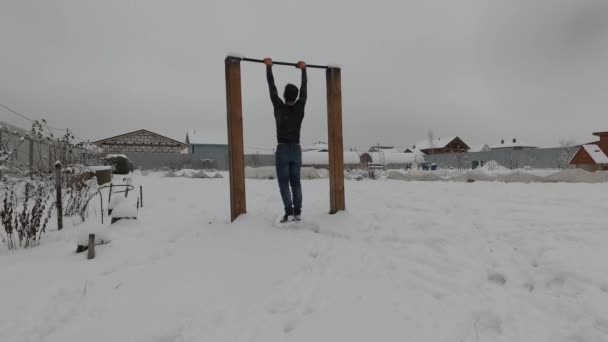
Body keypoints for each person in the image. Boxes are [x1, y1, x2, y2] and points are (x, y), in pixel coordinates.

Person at [264, 57, 307, 223]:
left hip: (283, 149)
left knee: (284, 184)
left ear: (284, 95)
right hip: (296, 149)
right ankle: (297, 213)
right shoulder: (300, 106)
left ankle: (289, 212)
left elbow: (271, 87)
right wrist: (303, 70)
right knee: (296, 182)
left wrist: (269, 67)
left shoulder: (279, 106)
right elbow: (304, 90)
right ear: (295, 97)